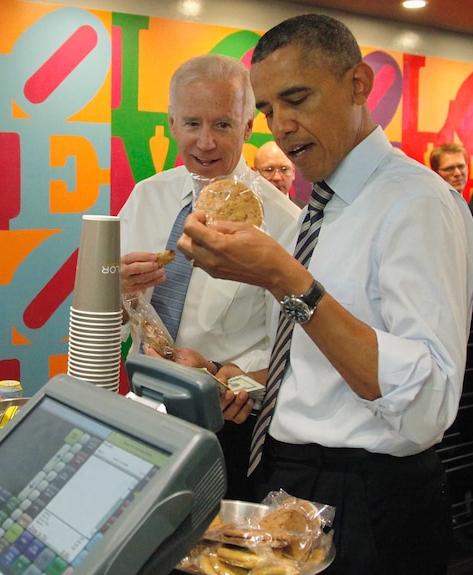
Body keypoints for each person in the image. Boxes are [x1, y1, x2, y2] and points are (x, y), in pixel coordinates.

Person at [178, 15, 473, 574]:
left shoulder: (418, 204)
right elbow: (312, 369)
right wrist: (233, 378)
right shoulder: (317, 211)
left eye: (297, 99)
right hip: (289, 480)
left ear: (358, 85)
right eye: (267, 110)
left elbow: (428, 402)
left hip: (369, 497)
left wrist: (287, 280)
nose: (282, 126)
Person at [118, 54, 301, 500]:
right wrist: (116, 289)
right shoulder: (146, 197)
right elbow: (102, 314)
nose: (205, 142)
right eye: (192, 123)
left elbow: (289, 351)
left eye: (222, 124)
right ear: (172, 123)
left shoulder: (282, 222)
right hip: (141, 410)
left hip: (227, 430)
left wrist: (225, 378)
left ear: (246, 127)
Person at [253, 140, 306, 207]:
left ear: (293, 172)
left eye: (284, 169)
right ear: (254, 174)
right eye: (269, 170)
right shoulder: (241, 212)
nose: (277, 177)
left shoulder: (305, 213)